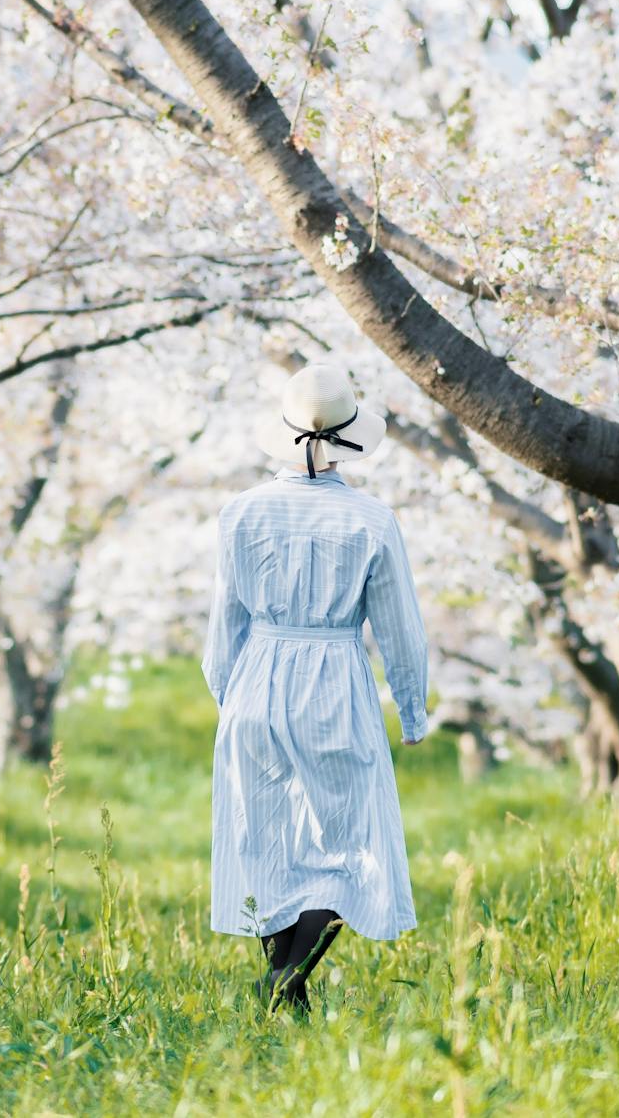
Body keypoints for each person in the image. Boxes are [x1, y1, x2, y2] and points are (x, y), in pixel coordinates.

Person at [201, 362, 430, 1017]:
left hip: (256, 680)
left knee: (267, 837)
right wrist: (410, 711)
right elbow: (400, 632)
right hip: (335, 680)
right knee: (350, 842)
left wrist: (230, 697)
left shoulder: (239, 513)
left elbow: (224, 626)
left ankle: (284, 986)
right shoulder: (372, 521)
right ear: (352, 435)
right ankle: (284, 983)